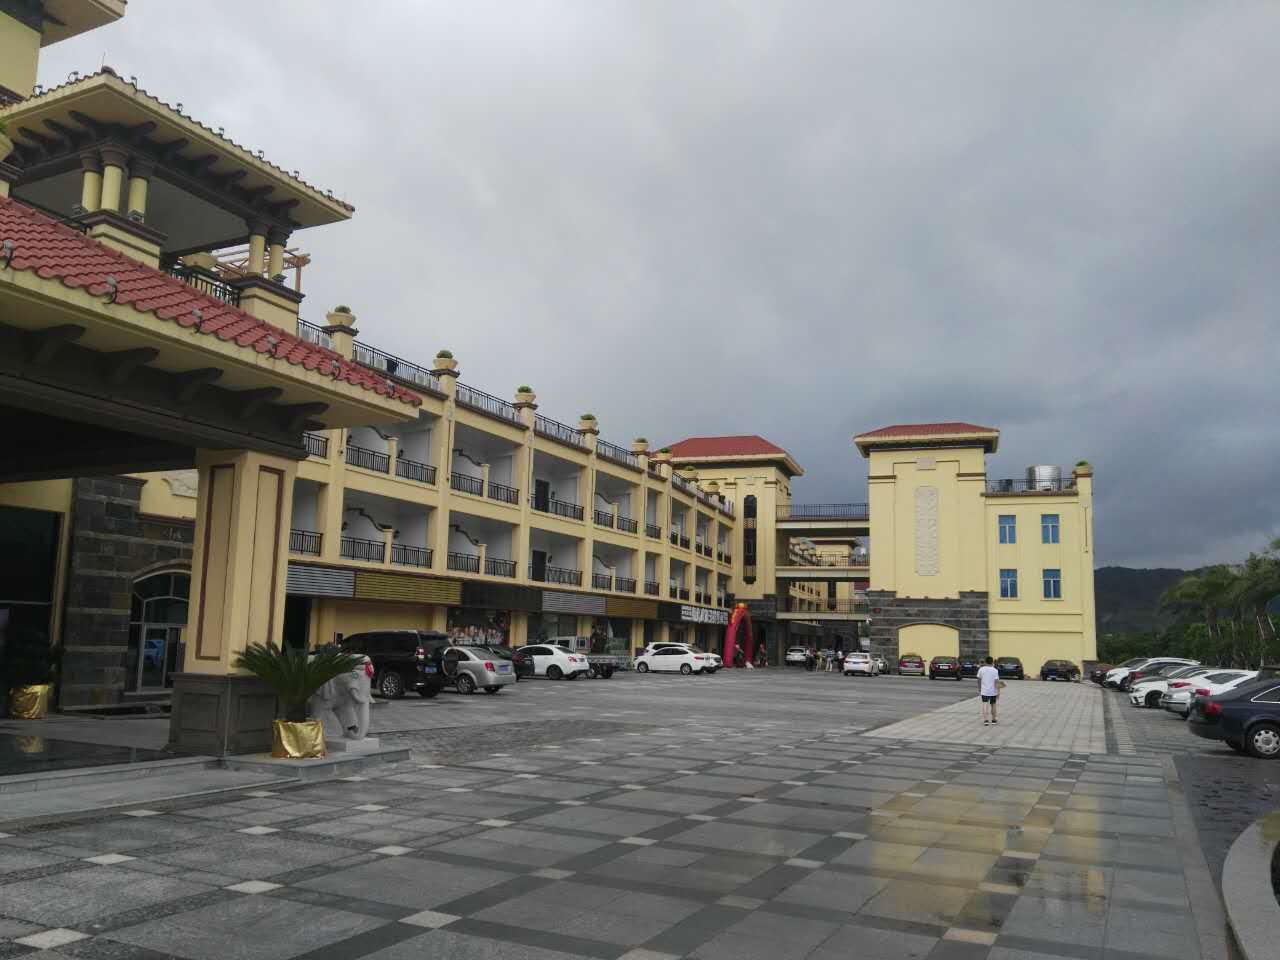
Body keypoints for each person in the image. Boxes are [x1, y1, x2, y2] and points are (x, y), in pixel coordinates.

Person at [977, 656, 1000, 725]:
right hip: (993, 691)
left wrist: (979, 689)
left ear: (985, 662)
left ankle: (986, 720)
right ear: (992, 662)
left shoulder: (981, 669)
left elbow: (979, 680)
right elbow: (996, 682)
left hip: (984, 690)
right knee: (993, 704)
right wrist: (998, 691)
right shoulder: (995, 670)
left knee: (985, 704)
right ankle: (993, 720)